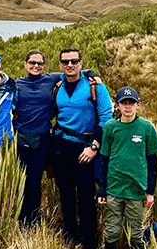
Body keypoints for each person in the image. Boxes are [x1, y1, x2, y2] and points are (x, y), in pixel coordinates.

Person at [14, 50, 100, 226]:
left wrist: (92, 74)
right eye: (31, 63)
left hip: (43, 139)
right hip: (20, 138)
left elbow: (75, 72)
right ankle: (21, 219)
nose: (35, 66)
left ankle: (34, 221)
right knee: (20, 181)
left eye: (39, 63)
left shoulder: (51, 79)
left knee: (34, 182)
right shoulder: (16, 84)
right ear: (25, 64)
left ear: (44, 66)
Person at [51, 47, 114, 249]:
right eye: (65, 61)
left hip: (85, 146)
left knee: (86, 195)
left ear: (80, 62)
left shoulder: (94, 85)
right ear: (60, 64)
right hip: (60, 144)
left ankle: (89, 243)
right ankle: (70, 234)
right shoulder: (57, 84)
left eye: (74, 61)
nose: (70, 65)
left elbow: (105, 117)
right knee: (65, 191)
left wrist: (94, 146)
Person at [97, 87, 157, 249]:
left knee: (136, 233)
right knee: (112, 231)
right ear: (117, 106)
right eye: (123, 103)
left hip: (137, 190)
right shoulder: (109, 127)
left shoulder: (146, 128)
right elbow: (104, 160)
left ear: (138, 105)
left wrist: (150, 191)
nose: (127, 106)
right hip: (114, 188)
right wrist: (102, 189)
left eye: (131, 103)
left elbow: (152, 162)